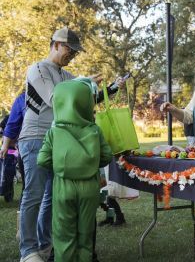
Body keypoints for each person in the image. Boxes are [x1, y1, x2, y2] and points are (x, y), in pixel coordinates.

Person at [18, 27, 123, 262]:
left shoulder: (67, 76)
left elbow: (81, 101)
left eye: (75, 52)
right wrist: (84, 81)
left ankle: (46, 246)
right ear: (55, 44)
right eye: (69, 49)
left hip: (59, 142)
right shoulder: (37, 69)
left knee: (51, 198)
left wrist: (111, 88)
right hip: (36, 137)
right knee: (34, 195)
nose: (72, 55)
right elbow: (57, 98)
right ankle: (28, 250)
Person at [37, 80, 113, 262]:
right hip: (89, 189)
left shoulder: (54, 132)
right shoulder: (94, 130)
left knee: (63, 235)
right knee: (85, 235)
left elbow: (42, 159)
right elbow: (107, 156)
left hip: (63, 187)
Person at [0, 92, 26, 239]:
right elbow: (11, 126)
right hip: (23, 150)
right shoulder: (22, 99)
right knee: (27, 189)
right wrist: (5, 146)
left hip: (21, 150)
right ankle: (21, 230)